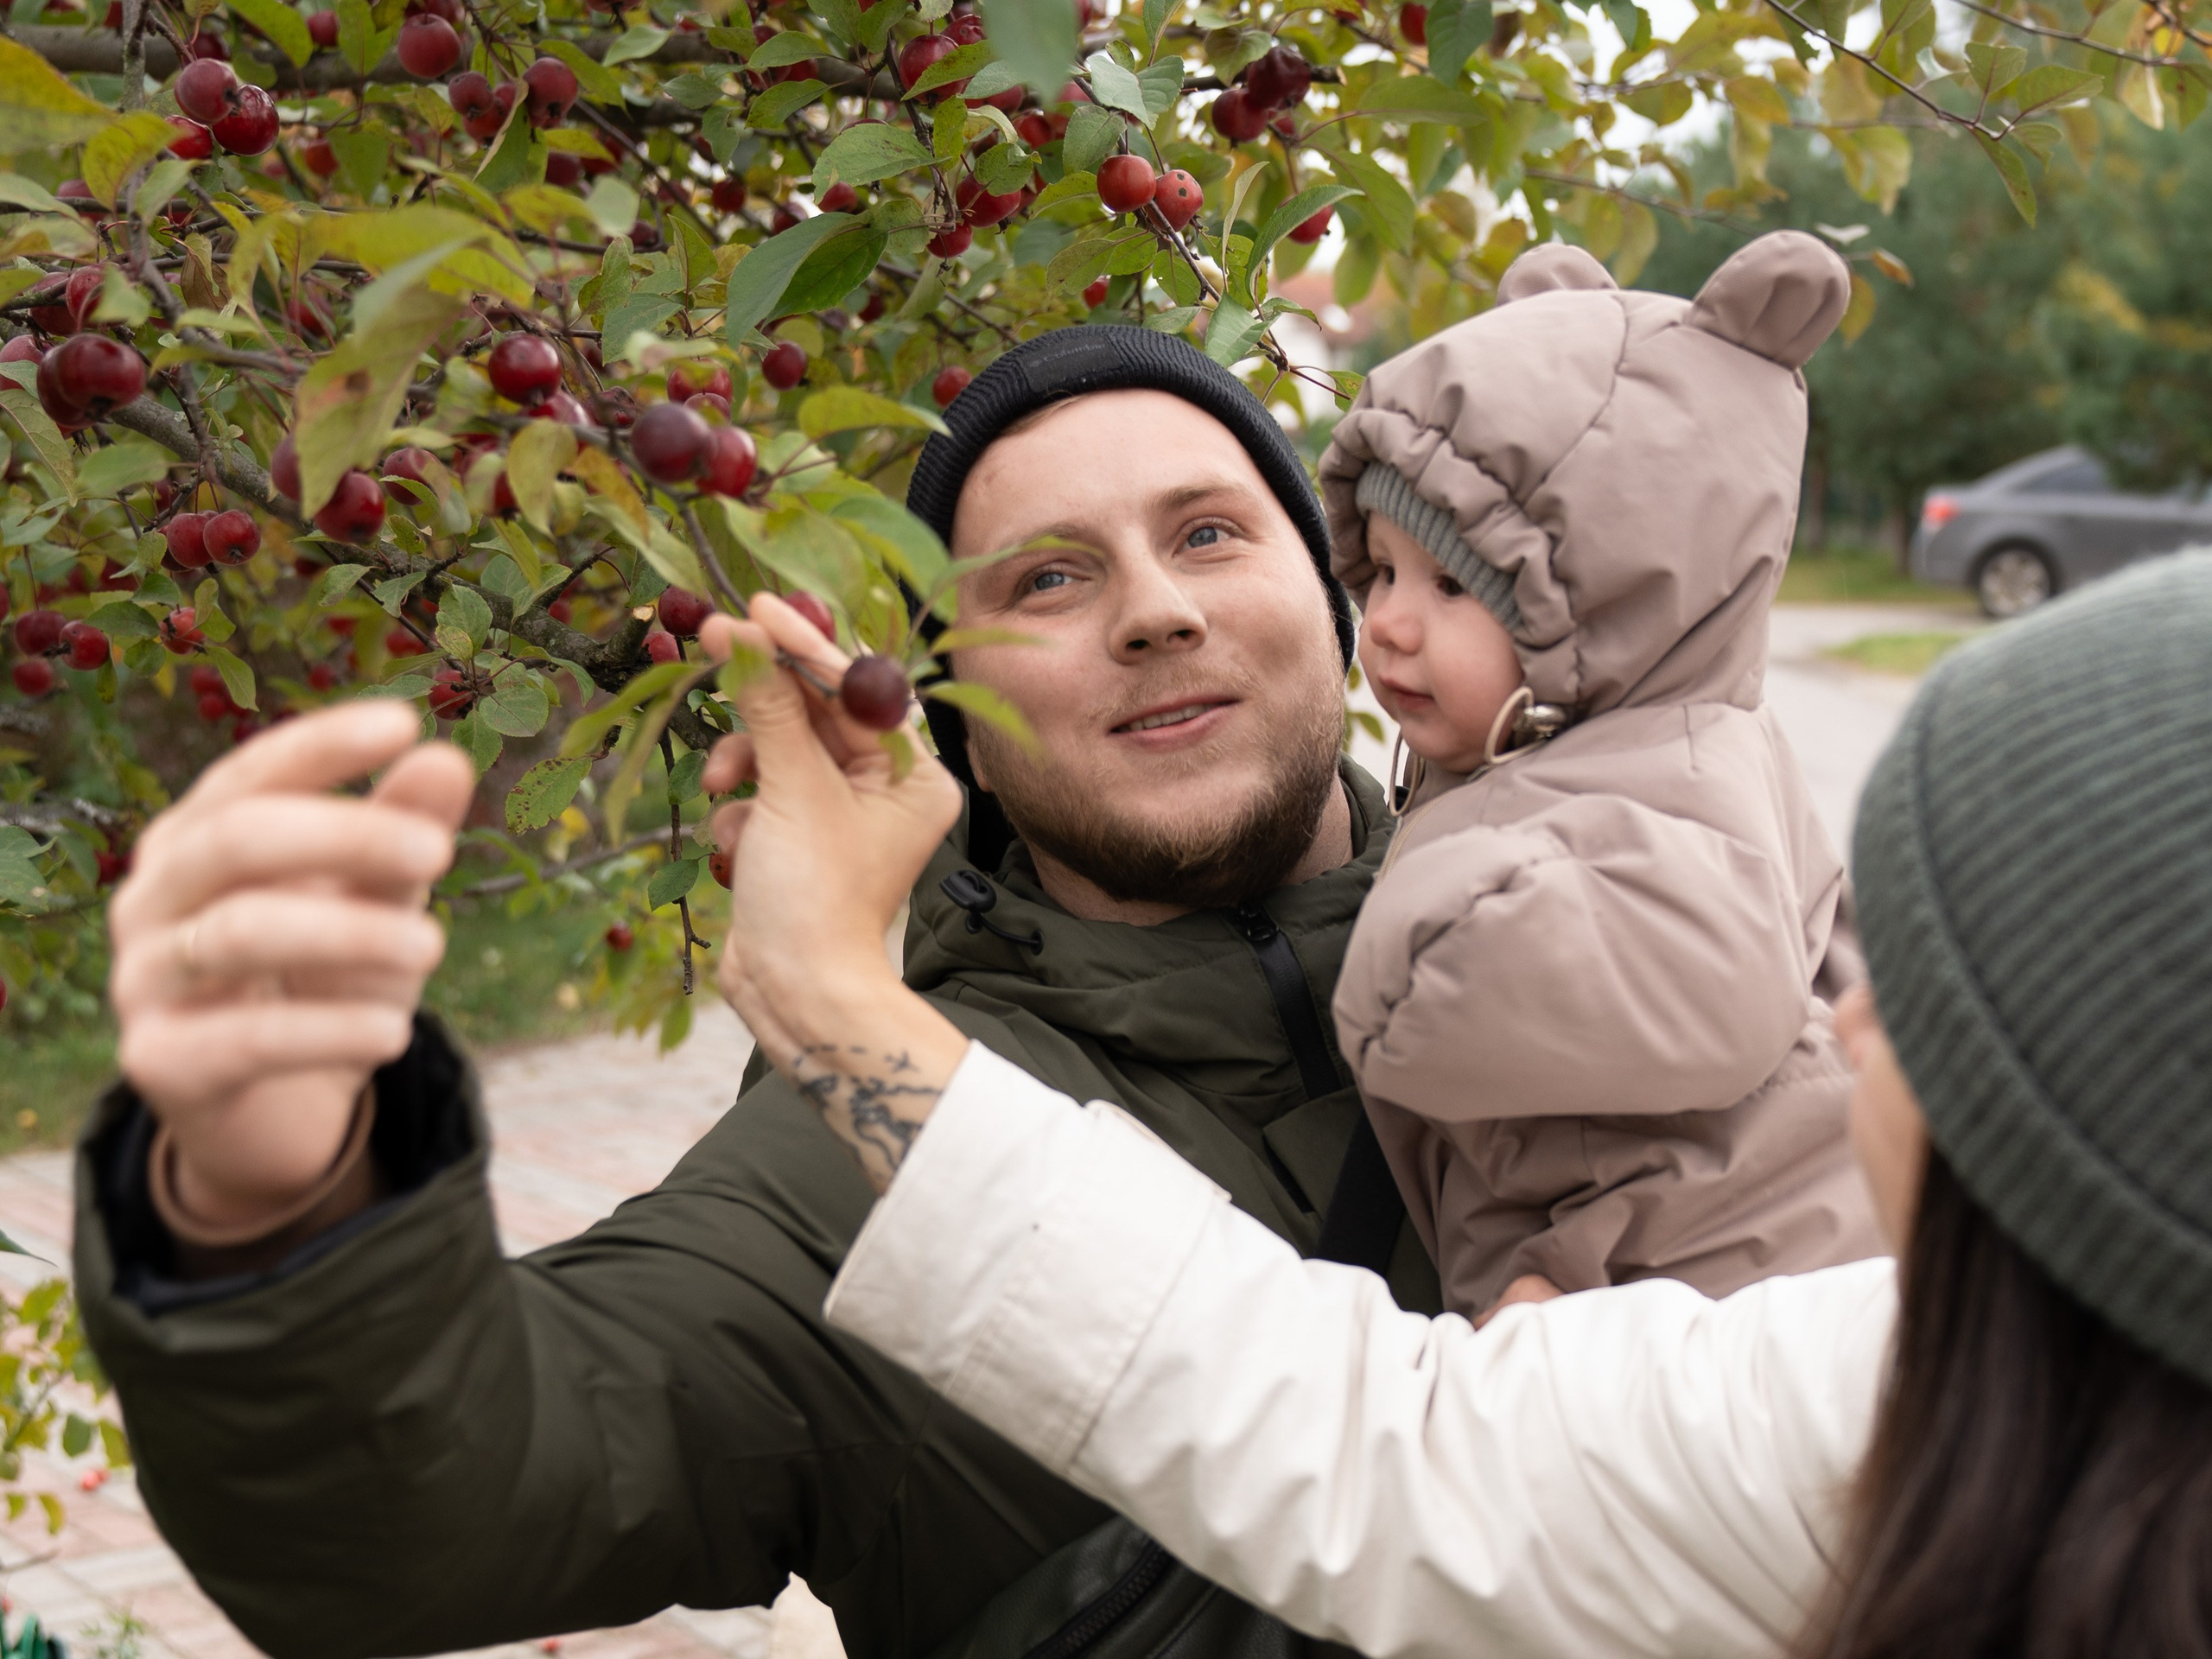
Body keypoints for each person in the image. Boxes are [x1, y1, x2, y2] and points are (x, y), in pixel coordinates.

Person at [80, 328, 1440, 1659]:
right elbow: (409, 1512)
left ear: (1335, 600)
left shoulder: (1610, 941)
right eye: (1047, 581)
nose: (1156, 611)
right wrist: (269, 1225)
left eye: (1207, 533)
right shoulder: (860, 1159)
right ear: (958, 718)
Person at [700, 551, 2212, 1659]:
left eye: (1953, 1003)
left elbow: (1341, 1442)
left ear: (2099, 1133)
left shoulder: (1854, 1431)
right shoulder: (1865, 1394)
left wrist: (825, 997)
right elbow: (1382, 1439)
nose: (1854, 1014)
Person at [1317, 231, 1885, 1323]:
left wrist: (1430, 940)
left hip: (1716, 1286)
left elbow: (1707, 994)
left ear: (1614, 603)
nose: (1386, 620)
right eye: (1381, 569)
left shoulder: (1676, 772)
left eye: (1453, 585)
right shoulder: (1573, 736)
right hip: (1615, 1283)